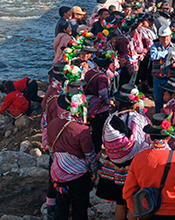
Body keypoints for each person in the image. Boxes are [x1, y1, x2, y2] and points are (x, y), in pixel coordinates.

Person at [122, 113, 175, 220]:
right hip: (174, 213)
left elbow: (128, 191)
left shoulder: (139, 158)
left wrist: (136, 209)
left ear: (151, 135)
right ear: (169, 136)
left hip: (148, 212)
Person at [97, 84, 151, 220]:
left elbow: (104, 138)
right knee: (132, 203)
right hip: (133, 167)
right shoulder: (139, 119)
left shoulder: (111, 118)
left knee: (120, 203)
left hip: (115, 166)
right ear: (135, 103)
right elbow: (144, 142)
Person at [47, 89, 98, 220]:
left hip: (58, 173)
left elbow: (50, 148)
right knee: (80, 208)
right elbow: (89, 155)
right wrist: (93, 172)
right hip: (78, 176)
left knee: (61, 206)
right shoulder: (82, 130)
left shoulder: (52, 124)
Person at [150, 26, 175, 112]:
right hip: (158, 79)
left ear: (170, 36)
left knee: (172, 101)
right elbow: (153, 56)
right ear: (159, 38)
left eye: (167, 37)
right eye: (162, 37)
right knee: (158, 100)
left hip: (171, 79)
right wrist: (166, 52)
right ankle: (158, 118)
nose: (165, 39)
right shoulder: (155, 46)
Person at [83, 54, 113, 153]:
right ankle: (97, 151)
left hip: (88, 105)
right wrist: (109, 102)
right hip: (99, 109)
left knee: (89, 127)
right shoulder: (102, 78)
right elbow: (103, 94)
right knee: (98, 130)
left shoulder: (89, 73)